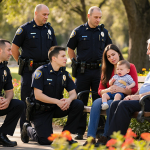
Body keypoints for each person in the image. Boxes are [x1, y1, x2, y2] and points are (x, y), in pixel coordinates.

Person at [21, 46, 84, 145]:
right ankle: (27, 129)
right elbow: (38, 96)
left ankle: (65, 136)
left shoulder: (64, 74)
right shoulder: (41, 72)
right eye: (63, 56)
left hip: (56, 108)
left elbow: (73, 94)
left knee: (78, 104)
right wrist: (57, 102)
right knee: (45, 141)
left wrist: (68, 100)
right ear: (54, 58)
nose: (66, 58)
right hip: (41, 110)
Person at [67, 6, 112, 140]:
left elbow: (109, 48)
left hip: (99, 72)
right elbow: (70, 48)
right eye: (96, 17)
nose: (98, 20)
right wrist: (75, 62)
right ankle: (80, 130)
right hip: (83, 71)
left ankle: (99, 129)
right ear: (89, 16)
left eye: (100, 17)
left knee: (98, 99)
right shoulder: (78, 31)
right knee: (81, 100)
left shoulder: (104, 32)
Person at [11, 4, 57, 130]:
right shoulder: (24, 29)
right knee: (27, 99)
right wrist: (21, 62)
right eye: (44, 14)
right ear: (36, 13)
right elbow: (14, 48)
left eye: (47, 14)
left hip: (44, 71)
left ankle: (39, 128)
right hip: (29, 70)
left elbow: (54, 50)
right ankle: (25, 128)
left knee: (42, 100)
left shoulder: (49, 29)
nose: (46, 17)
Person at [83, 44, 138, 147]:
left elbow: (134, 89)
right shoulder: (106, 70)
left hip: (121, 96)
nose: (112, 58)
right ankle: (91, 138)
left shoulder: (129, 67)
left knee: (111, 104)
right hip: (108, 95)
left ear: (118, 53)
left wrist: (120, 89)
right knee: (96, 103)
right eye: (108, 56)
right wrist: (108, 89)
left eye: (113, 54)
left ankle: (106, 136)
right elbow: (100, 91)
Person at [107, 39, 150, 138]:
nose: (147, 52)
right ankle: (111, 138)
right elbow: (144, 86)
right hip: (143, 99)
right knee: (115, 104)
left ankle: (113, 141)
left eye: (149, 49)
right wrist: (132, 96)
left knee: (123, 105)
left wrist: (139, 96)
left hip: (147, 100)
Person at [0, 39, 24, 147]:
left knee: (18, 104)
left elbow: (9, 91)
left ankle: (2, 135)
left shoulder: (5, 69)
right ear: (0, 50)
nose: (11, 52)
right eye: (9, 50)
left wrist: (7, 100)